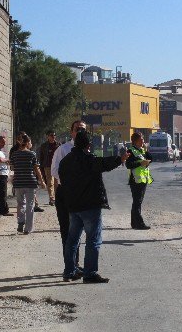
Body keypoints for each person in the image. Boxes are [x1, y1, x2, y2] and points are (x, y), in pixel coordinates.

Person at [59, 130, 130, 283]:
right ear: (89, 145)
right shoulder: (88, 160)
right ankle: (90, 273)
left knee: (72, 240)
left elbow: (62, 182)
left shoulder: (65, 162)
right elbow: (104, 164)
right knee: (93, 240)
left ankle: (69, 271)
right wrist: (120, 159)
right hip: (90, 207)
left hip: (73, 207)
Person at [50, 120, 87, 274]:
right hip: (66, 193)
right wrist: (72, 179)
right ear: (71, 132)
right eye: (77, 129)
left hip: (81, 194)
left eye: (83, 129)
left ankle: (75, 264)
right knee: (67, 230)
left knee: (78, 230)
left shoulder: (87, 150)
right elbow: (54, 170)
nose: (80, 132)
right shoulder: (63, 149)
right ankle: (70, 266)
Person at [11, 134, 45, 234]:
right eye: (30, 142)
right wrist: (42, 181)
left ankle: (20, 221)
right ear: (27, 143)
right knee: (30, 205)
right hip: (30, 182)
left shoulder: (14, 154)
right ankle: (28, 228)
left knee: (20, 203)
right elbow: (36, 169)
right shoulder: (32, 154)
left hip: (18, 182)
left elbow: (12, 168)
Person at [125, 132, 153, 229]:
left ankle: (134, 223)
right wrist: (141, 163)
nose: (143, 141)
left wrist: (146, 150)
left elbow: (151, 158)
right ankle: (140, 224)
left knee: (137, 202)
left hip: (143, 179)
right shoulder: (131, 150)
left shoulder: (141, 150)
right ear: (136, 141)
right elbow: (128, 165)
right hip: (135, 180)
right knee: (137, 202)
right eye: (141, 139)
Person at [37, 130, 60, 206]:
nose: (53, 137)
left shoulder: (58, 145)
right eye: (51, 135)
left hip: (57, 166)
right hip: (48, 166)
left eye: (54, 135)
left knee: (57, 183)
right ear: (48, 136)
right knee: (50, 183)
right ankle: (51, 199)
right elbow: (41, 156)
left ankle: (58, 198)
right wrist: (41, 166)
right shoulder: (44, 146)